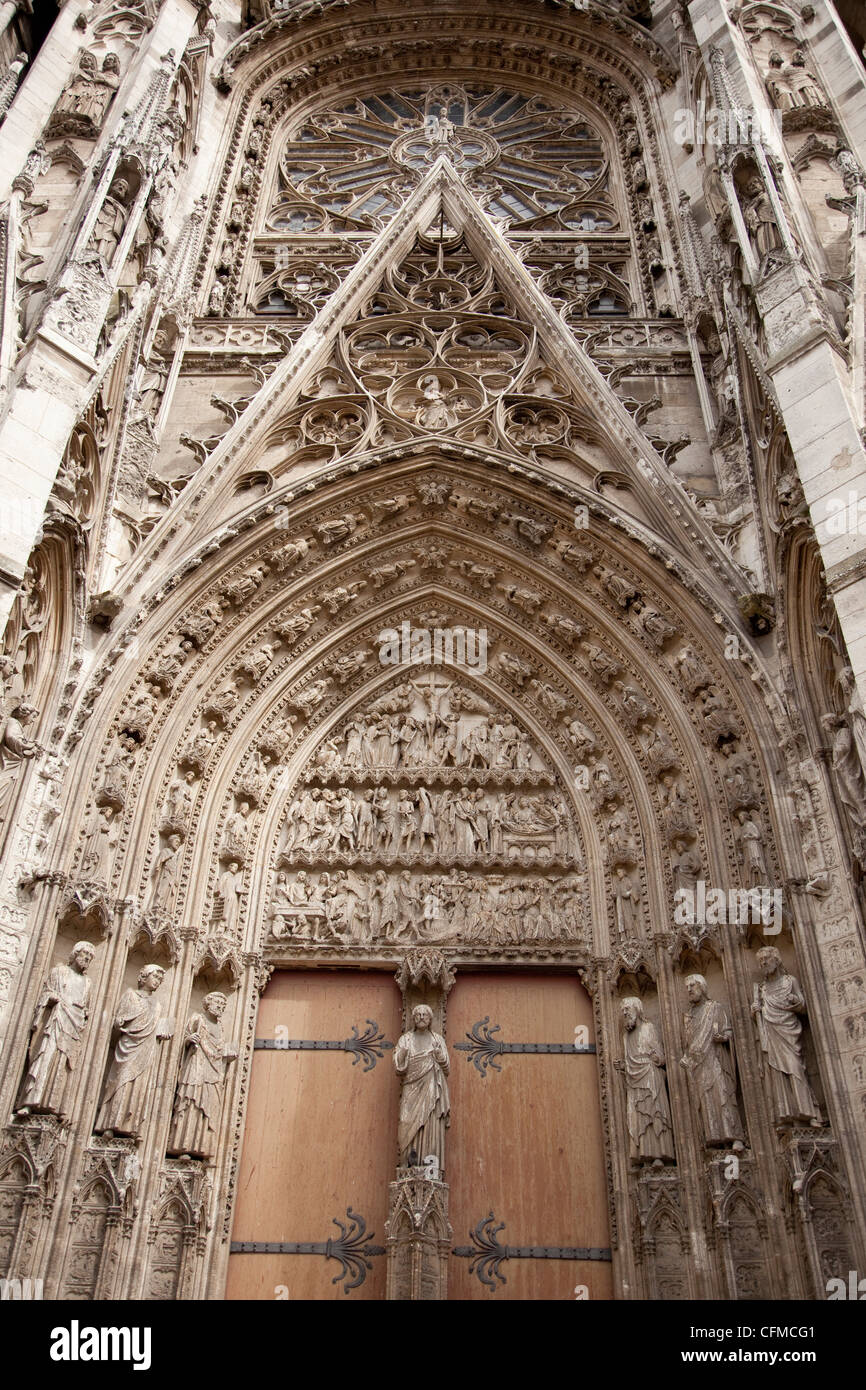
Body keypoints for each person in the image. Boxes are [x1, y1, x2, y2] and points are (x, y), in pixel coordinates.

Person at [16, 942, 95, 1116]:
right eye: (84, 955)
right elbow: (47, 992)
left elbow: (87, 1006)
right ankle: (30, 1101)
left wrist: (85, 1012)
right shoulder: (59, 972)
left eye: (90, 957)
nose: (87, 959)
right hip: (56, 1020)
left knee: (63, 1064)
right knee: (46, 1056)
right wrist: (54, 998)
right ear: (75, 954)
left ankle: (55, 1106)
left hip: (73, 1025)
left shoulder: (87, 983)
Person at [95, 964, 172, 1137]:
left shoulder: (157, 1004)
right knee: (121, 1079)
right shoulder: (131, 995)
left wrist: (162, 1031)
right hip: (129, 1046)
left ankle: (130, 1126)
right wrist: (120, 1022)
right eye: (155, 977)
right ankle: (110, 1122)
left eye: (160, 979)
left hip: (146, 1048)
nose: (157, 982)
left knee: (139, 1086)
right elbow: (119, 1022)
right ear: (143, 977)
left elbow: (154, 1026)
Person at [752, 947, 822, 1126]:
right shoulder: (762, 988)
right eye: (761, 961)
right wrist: (756, 1012)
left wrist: (795, 1001)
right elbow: (760, 1012)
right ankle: (786, 1113)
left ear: (777, 960)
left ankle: (809, 1112)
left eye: (767, 958)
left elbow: (803, 1006)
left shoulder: (790, 981)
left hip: (788, 1030)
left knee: (795, 1067)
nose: (764, 963)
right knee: (777, 1072)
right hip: (772, 1031)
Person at [167, 992, 236, 1158]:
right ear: (208, 1003)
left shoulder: (221, 1027)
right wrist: (189, 1040)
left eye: (223, 1005)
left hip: (213, 1072)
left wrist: (227, 1056)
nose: (220, 1007)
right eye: (217, 1003)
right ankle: (182, 1145)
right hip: (196, 1067)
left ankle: (201, 1147)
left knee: (208, 1106)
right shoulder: (198, 1019)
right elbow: (185, 1041)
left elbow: (218, 1051)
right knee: (192, 1103)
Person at [680, 975, 744, 1148]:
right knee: (706, 1100)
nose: (689, 990)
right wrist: (686, 1057)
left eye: (692, 986)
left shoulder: (715, 1008)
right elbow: (688, 1043)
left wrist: (722, 1037)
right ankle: (713, 1137)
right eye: (687, 987)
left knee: (722, 1093)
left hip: (715, 1058)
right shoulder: (689, 1016)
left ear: (702, 987)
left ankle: (734, 1135)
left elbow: (728, 1031)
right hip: (698, 1065)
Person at [394, 1004, 450, 1170]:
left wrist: (440, 1055)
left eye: (425, 1015)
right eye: (418, 1014)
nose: (421, 1017)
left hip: (431, 1086)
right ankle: (407, 1164)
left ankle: (429, 1163)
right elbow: (398, 1067)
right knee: (406, 1121)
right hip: (411, 1087)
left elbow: (447, 1068)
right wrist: (403, 1053)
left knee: (430, 1121)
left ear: (431, 1018)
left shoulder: (437, 1040)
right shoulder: (405, 1039)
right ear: (413, 1018)